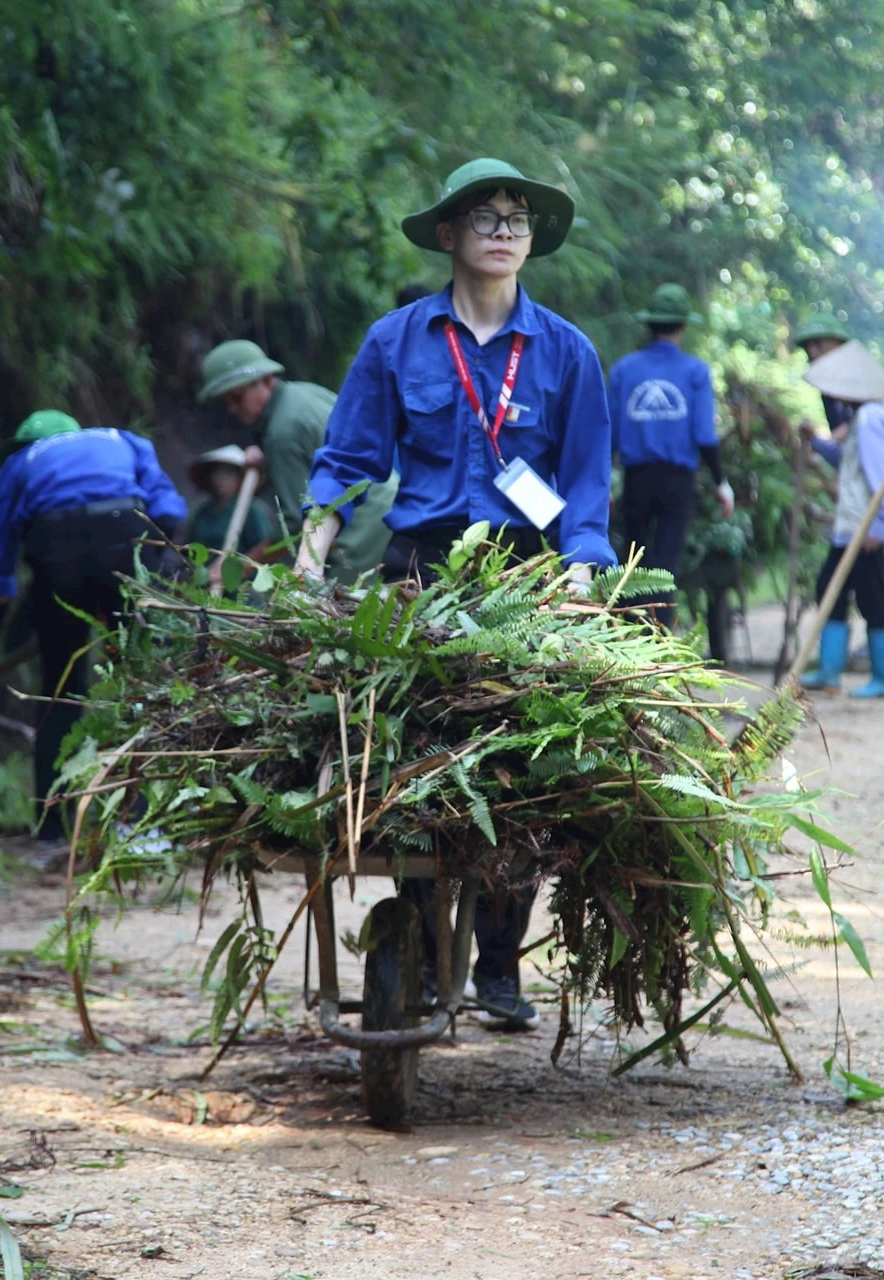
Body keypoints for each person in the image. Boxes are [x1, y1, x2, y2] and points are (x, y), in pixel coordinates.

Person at [296, 157, 616, 1031]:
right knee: (412, 758)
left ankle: (500, 959)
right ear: (449, 235)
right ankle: (424, 930)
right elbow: (348, 459)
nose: (506, 228)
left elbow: (584, 486)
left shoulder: (566, 352)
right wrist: (309, 555)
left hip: (526, 576)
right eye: (487, 215)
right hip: (421, 572)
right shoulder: (395, 340)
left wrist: (580, 577)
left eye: (519, 217)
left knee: (517, 770)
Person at [0, 410, 187, 846]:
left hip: (55, 552)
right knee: (137, 689)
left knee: (59, 693)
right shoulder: (124, 439)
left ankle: (52, 831)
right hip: (126, 535)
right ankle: (140, 827)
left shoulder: (18, 464)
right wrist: (149, 576)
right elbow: (169, 512)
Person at [196, 339, 395, 583]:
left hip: (361, 528)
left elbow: (292, 528)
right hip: (389, 502)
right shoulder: (301, 393)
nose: (232, 409)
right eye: (225, 402)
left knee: (347, 610)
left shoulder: (281, 433)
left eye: (236, 398)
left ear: (267, 380)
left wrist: (238, 567)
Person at [608, 282, 734, 627]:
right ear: (682, 326)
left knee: (633, 558)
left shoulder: (624, 369)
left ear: (649, 324)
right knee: (665, 563)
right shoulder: (695, 371)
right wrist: (722, 481)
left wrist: (603, 481)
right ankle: (660, 638)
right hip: (678, 481)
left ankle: (629, 634)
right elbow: (704, 434)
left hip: (636, 479)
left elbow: (611, 431)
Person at [797, 341, 884, 698]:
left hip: (866, 526)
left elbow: (883, 474)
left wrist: (878, 525)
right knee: (831, 586)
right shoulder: (865, 416)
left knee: (870, 596)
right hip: (854, 525)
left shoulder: (872, 417)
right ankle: (829, 672)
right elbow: (850, 460)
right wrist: (815, 444)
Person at [185, 445, 278, 591]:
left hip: (241, 589)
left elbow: (264, 550)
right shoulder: (203, 511)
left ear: (240, 478)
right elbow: (188, 548)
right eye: (217, 473)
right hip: (202, 586)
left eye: (229, 474)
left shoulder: (252, 510)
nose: (222, 479)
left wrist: (236, 570)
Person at [794, 311, 856, 439]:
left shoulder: (856, 379)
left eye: (818, 344)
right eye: (808, 346)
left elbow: (859, 424)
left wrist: (823, 443)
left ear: (838, 343)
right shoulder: (827, 387)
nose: (812, 352)